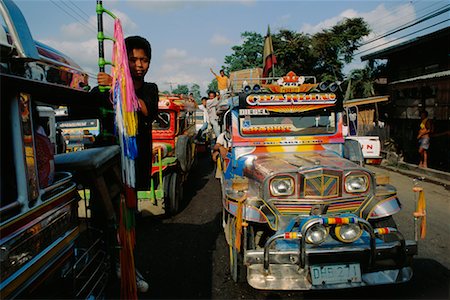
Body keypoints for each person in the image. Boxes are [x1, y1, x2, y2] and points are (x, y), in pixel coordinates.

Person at [96, 35, 159, 190]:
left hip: (139, 159)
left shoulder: (150, 89)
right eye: (133, 60)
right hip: (111, 161)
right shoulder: (106, 91)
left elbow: (146, 111)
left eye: (144, 60)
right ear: (123, 62)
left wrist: (117, 85)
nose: (139, 65)